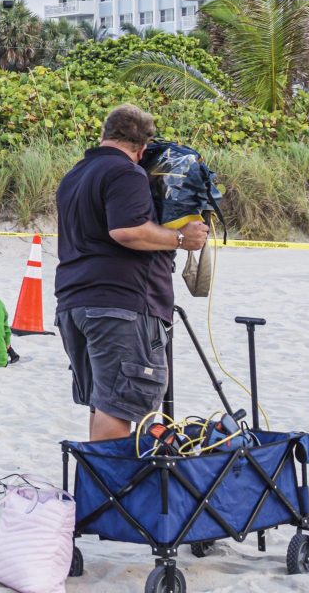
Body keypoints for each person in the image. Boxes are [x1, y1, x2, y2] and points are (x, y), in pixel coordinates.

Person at [55, 105, 208, 442]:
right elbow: (127, 231)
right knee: (119, 406)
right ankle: (110, 490)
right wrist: (182, 239)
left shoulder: (75, 175)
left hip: (74, 301)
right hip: (120, 304)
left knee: (103, 402)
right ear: (141, 148)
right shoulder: (126, 173)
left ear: (104, 135)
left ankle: (98, 489)